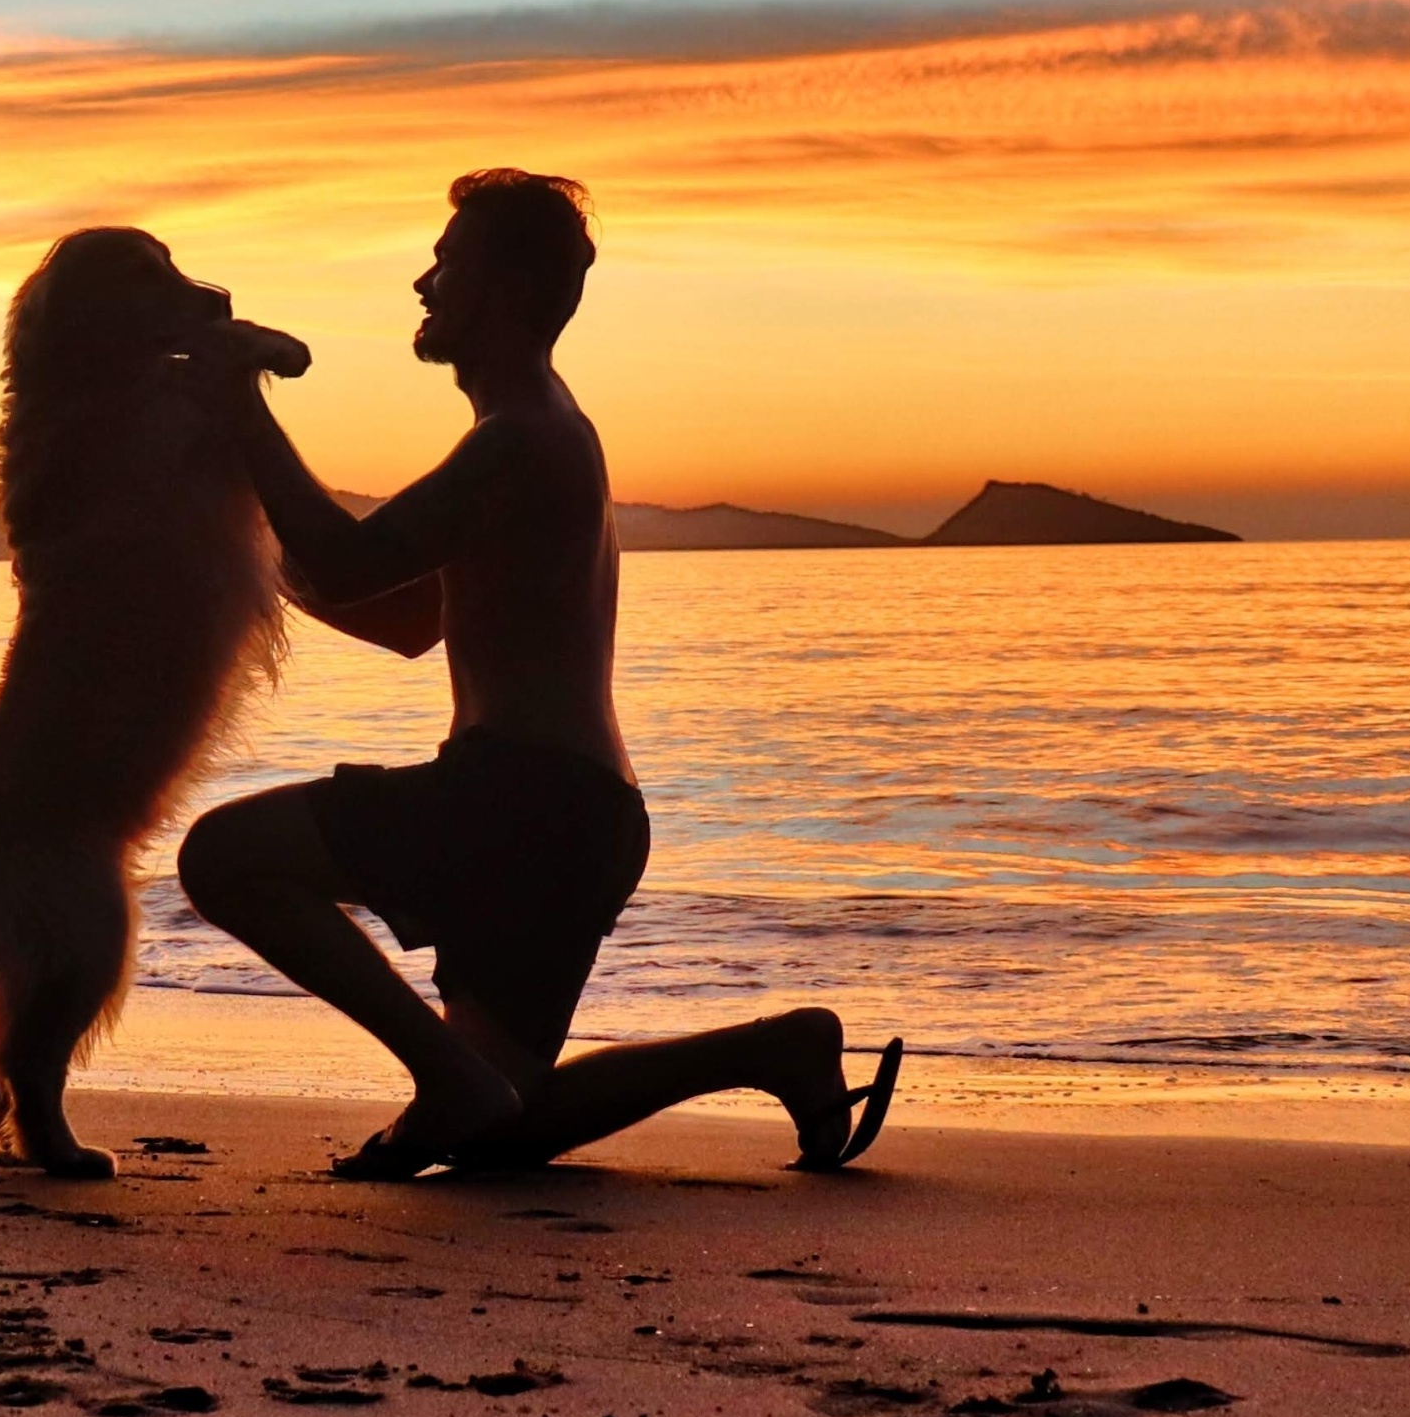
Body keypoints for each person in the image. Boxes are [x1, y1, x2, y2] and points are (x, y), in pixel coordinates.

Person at [177, 169, 902, 1180]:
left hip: (517, 798)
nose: (425, 282)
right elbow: (398, 621)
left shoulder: (518, 441)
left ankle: (443, 1074)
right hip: (579, 817)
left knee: (219, 858)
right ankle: (774, 1049)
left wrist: (241, 402)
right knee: (502, 1124)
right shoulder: (544, 434)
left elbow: (346, 560)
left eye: (449, 260)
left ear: (507, 288)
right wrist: (244, 534)